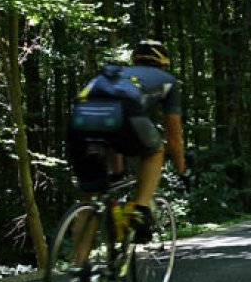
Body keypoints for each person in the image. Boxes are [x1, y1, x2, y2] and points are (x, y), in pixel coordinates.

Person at [66, 40, 189, 242]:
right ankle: (140, 209)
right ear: (164, 64)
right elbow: (173, 136)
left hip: (78, 119)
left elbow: (110, 129)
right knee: (155, 150)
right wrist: (182, 169)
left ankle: (80, 268)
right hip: (123, 114)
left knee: (90, 199)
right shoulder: (167, 80)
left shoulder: (115, 76)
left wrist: (117, 172)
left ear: (135, 60)